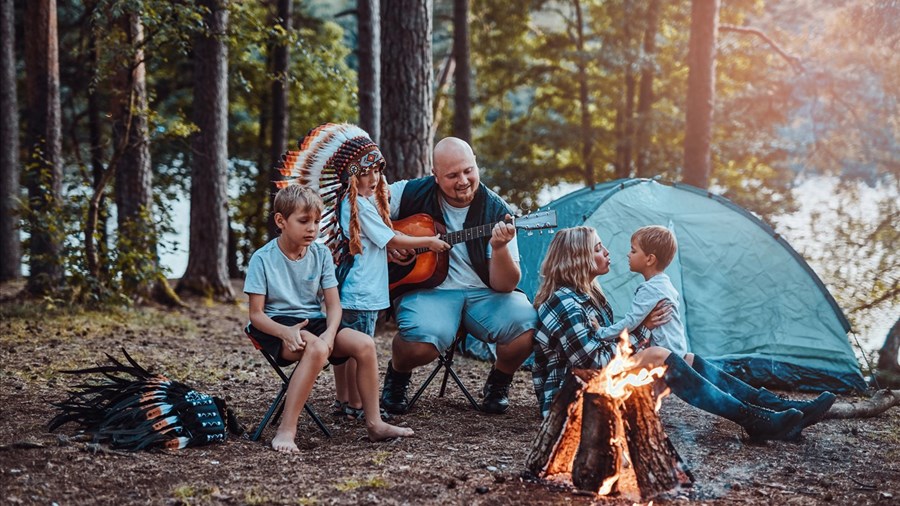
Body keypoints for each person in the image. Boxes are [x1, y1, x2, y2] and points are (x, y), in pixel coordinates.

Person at [531, 226, 836, 441]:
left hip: (598, 390)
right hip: (570, 404)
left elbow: (609, 350)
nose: (608, 252)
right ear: (578, 258)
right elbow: (595, 363)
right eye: (598, 249)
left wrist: (642, 336)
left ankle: (776, 408)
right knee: (660, 356)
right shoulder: (564, 302)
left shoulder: (590, 298)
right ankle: (755, 420)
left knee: (686, 358)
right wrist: (643, 333)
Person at [244, 184, 414, 453]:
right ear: (281, 221)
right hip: (277, 326)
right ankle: (287, 430)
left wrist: (330, 331)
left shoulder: (321, 254)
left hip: (316, 322)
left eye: (315, 221)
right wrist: (284, 332)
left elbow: (334, 306)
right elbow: (256, 315)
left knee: (364, 344)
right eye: (303, 221)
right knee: (316, 347)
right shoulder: (262, 259)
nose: (312, 228)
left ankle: (375, 423)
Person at [295, 123, 450, 419]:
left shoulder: (355, 204)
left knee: (346, 351)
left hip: (354, 291)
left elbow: (380, 244)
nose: (372, 178)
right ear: (350, 177)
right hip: (361, 294)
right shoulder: (360, 206)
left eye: (376, 171)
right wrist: (430, 241)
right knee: (356, 350)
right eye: (363, 173)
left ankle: (345, 400)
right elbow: (391, 239)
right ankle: (356, 404)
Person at [380, 137, 538, 415]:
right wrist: (390, 242)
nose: (463, 181)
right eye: (452, 175)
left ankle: (499, 382)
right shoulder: (410, 192)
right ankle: (397, 374)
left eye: (468, 171)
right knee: (424, 340)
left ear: (476, 164)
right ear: (436, 176)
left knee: (527, 324)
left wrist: (499, 247)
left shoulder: (497, 210)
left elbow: (506, 285)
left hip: (483, 294)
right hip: (428, 292)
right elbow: (363, 205)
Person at [597, 225, 687, 357]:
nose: (628, 255)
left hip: (663, 357)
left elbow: (630, 322)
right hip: (678, 351)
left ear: (650, 259)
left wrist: (602, 332)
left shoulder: (650, 289)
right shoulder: (666, 284)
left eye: (633, 251)